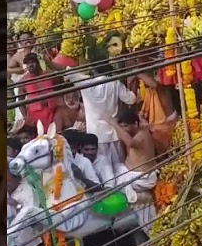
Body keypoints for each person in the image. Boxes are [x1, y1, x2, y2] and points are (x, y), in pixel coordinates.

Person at [42, 56, 137, 188]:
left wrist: (48, 62)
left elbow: (64, 69)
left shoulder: (86, 82)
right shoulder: (115, 83)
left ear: (94, 71)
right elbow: (131, 99)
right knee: (118, 168)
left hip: (96, 136)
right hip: (115, 133)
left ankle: (103, 190)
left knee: (99, 169)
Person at [103, 106, 158, 232]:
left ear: (135, 124)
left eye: (125, 126)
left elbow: (130, 143)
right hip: (132, 174)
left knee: (114, 184)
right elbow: (141, 120)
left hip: (141, 178)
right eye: (121, 127)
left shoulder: (140, 135)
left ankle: (138, 201)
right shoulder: (142, 127)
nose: (123, 130)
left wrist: (113, 124)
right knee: (111, 171)